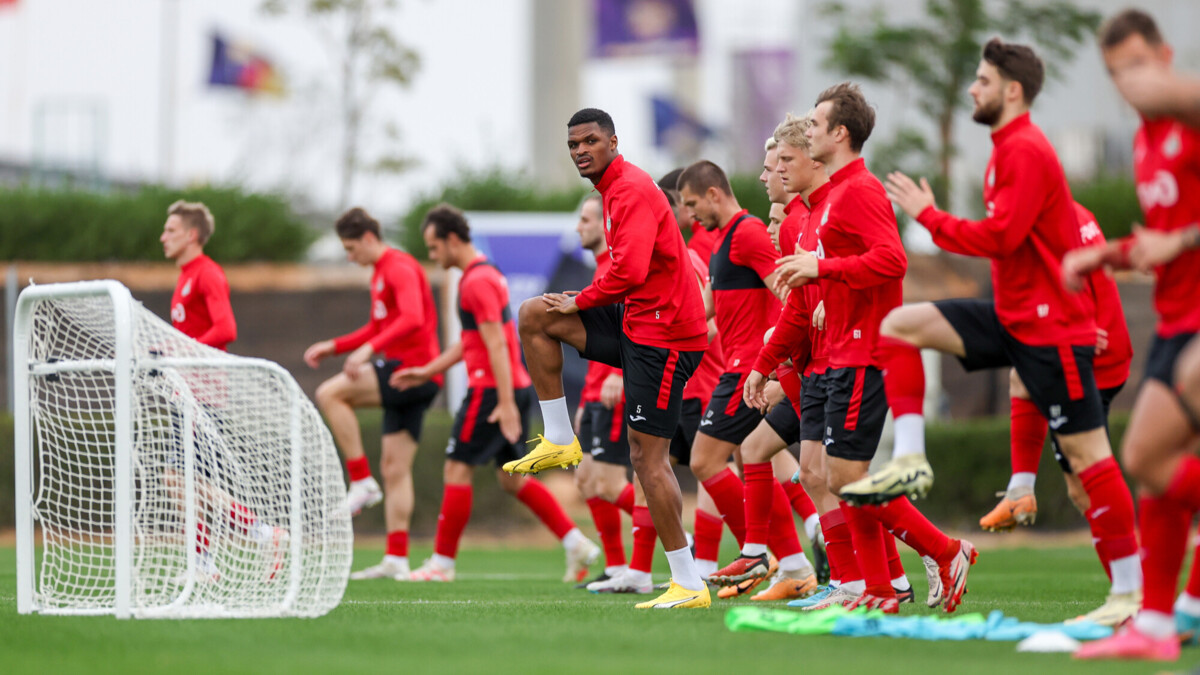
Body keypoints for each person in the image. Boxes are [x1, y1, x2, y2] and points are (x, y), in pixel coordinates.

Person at [876, 39, 1139, 624]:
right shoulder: (1003, 151)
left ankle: (1130, 596)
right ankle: (913, 455)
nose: (973, 88)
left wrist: (929, 217)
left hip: (1051, 333)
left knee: (1087, 465)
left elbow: (1001, 239)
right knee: (897, 325)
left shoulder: (1024, 149)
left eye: (982, 80)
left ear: (1011, 90)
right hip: (1015, 320)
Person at [773, 83, 971, 614]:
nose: (808, 131)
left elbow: (893, 261)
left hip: (865, 355)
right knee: (840, 477)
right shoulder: (836, 194)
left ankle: (945, 551)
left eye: (815, 125)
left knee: (845, 478)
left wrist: (823, 269)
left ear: (840, 133)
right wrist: (822, 290)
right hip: (841, 353)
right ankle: (877, 590)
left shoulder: (858, 190)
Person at [507, 108, 711, 609]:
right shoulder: (609, 192)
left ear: (613, 142)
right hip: (637, 323)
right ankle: (559, 439)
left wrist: (582, 298)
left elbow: (633, 268)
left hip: (665, 339)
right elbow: (626, 273)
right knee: (535, 314)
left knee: (648, 459)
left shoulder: (631, 189)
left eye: (590, 140)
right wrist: (583, 298)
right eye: (573, 142)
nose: (580, 149)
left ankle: (688, 583)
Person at [1069, 9, 1200, 660]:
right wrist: (1110, 254)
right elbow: (1163, 242)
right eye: (1118, 74)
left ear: (1167, 56)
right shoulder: (1147, 143)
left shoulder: (1190, 116)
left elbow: (1179, 235)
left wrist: (1177, 238)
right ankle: (1161, 623)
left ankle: (1160, 618)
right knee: (1147, 459)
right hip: (1177, 320)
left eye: (1141, 67)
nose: (1132, 84)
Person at [392, 204, 600, 583]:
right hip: (508, 389)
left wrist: (504, 405)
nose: (433, 256)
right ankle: (575, 542)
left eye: (434, 247)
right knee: (511, 478)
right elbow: (474, 341)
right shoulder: (482, 276)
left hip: (492, 391)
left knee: (456, 468)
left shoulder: (477, 281)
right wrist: (429, 369)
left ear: (452, 240)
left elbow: (499, 346)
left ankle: (441, 563)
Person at [302, 207, 441, 581]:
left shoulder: (397, 266)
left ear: (367, 238)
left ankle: (360, 480)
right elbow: (379, 325)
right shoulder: (380, 273)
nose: (349, 257)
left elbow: (411, 318)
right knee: (396, 470)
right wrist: (335, 346)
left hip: (411, 371)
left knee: (330, 394)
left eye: (350, 248)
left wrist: (368, 351)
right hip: (412, 378)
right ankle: (397, 557)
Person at [980, 203, 1132, 533]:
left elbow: (1069, 282)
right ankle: (1020, 490)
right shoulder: (1073, 213)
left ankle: (1131, 576)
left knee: (1086, 487)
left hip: (1092, 356)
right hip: (1101, 348)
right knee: (1021, 375)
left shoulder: (1050, 223)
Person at [160, 199, 285, 582]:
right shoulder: (185, 276)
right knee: (192, 483)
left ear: (192, 235)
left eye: (171, 230)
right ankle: (203, 565)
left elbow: (226, 328)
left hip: (204, 394)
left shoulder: (207, 273)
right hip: (188, 391)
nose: (162, 237)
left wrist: (182, 350)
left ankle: (265, 533)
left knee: (176, 480)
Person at [571, 194, 637, 589]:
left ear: (605, 225)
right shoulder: (598, 270)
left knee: (610, 484)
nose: (579, 226)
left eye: (585, 219)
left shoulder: (617, 269)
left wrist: (622, 375)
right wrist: (584, 401)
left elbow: (633, 331)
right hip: (596, 395)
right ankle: (614, 565)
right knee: (586, 480)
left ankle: (686, 540)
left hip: (614, 392)